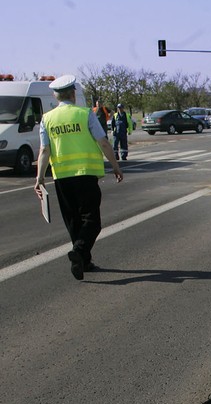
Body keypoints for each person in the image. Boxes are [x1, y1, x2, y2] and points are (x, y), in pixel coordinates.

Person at [34, 75, 124, 280]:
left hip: (61, 178)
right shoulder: (85, 114)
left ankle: (84, 261)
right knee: (92, 220)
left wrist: (39, 177)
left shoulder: (47, 119)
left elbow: (44, 151)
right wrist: (116, 166)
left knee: (73, 220)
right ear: (73, 93)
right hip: (85, 174)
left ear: (56, 97)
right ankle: (80, 251)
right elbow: (103, 143)